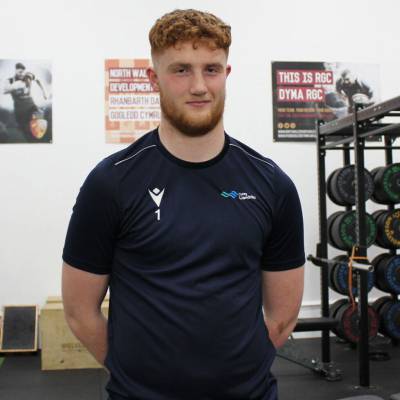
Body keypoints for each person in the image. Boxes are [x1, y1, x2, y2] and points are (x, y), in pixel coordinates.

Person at [62, 9, 305, 400]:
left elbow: (283, 316)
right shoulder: (110, 183)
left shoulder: (272, 184)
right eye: (180, 70)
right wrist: (133, 375)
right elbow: (78, 310)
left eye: (211, 69)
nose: (198, 86)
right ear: (153, 79)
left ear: (227, 75)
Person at [3, 62, 48, 141]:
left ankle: (40, 138)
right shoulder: (10, 80)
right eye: (20, 72)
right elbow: (5, 90)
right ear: (16, 71)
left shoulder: (28, 76)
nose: (22, 74)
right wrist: (15, 86)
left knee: (39, 115)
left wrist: (44, 93)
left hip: (30, 105)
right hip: (20, 109)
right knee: (25, 131)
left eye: (23, 72)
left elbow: (38, 80)